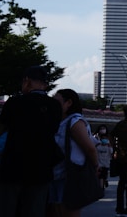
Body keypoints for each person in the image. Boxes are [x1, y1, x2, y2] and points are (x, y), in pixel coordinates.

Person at [0, 65, 62, 217]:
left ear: (27, 81)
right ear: (46, 84)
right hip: (41, 167)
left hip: (13, 166)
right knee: (34, 209)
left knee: (5, 209)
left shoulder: (15, 102)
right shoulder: (55, 106)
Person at [47, 88, 99, 217]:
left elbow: (90, 148)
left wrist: (95, 166)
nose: (54, 105)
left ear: (68, 103)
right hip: (56, 174)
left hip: (70, 175)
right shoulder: (60, 122)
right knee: (57, 210)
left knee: (68, 210)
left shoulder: (74, 122)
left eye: (57, 102)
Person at [94, 125, 113, 189]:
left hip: (106, 163)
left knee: (104, 175)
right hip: (100, 163)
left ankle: (105, 181)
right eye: (101, 128)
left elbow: (111, 151)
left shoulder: (108, 146)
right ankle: (101, 187)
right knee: (101, 176)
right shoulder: (97, 144)